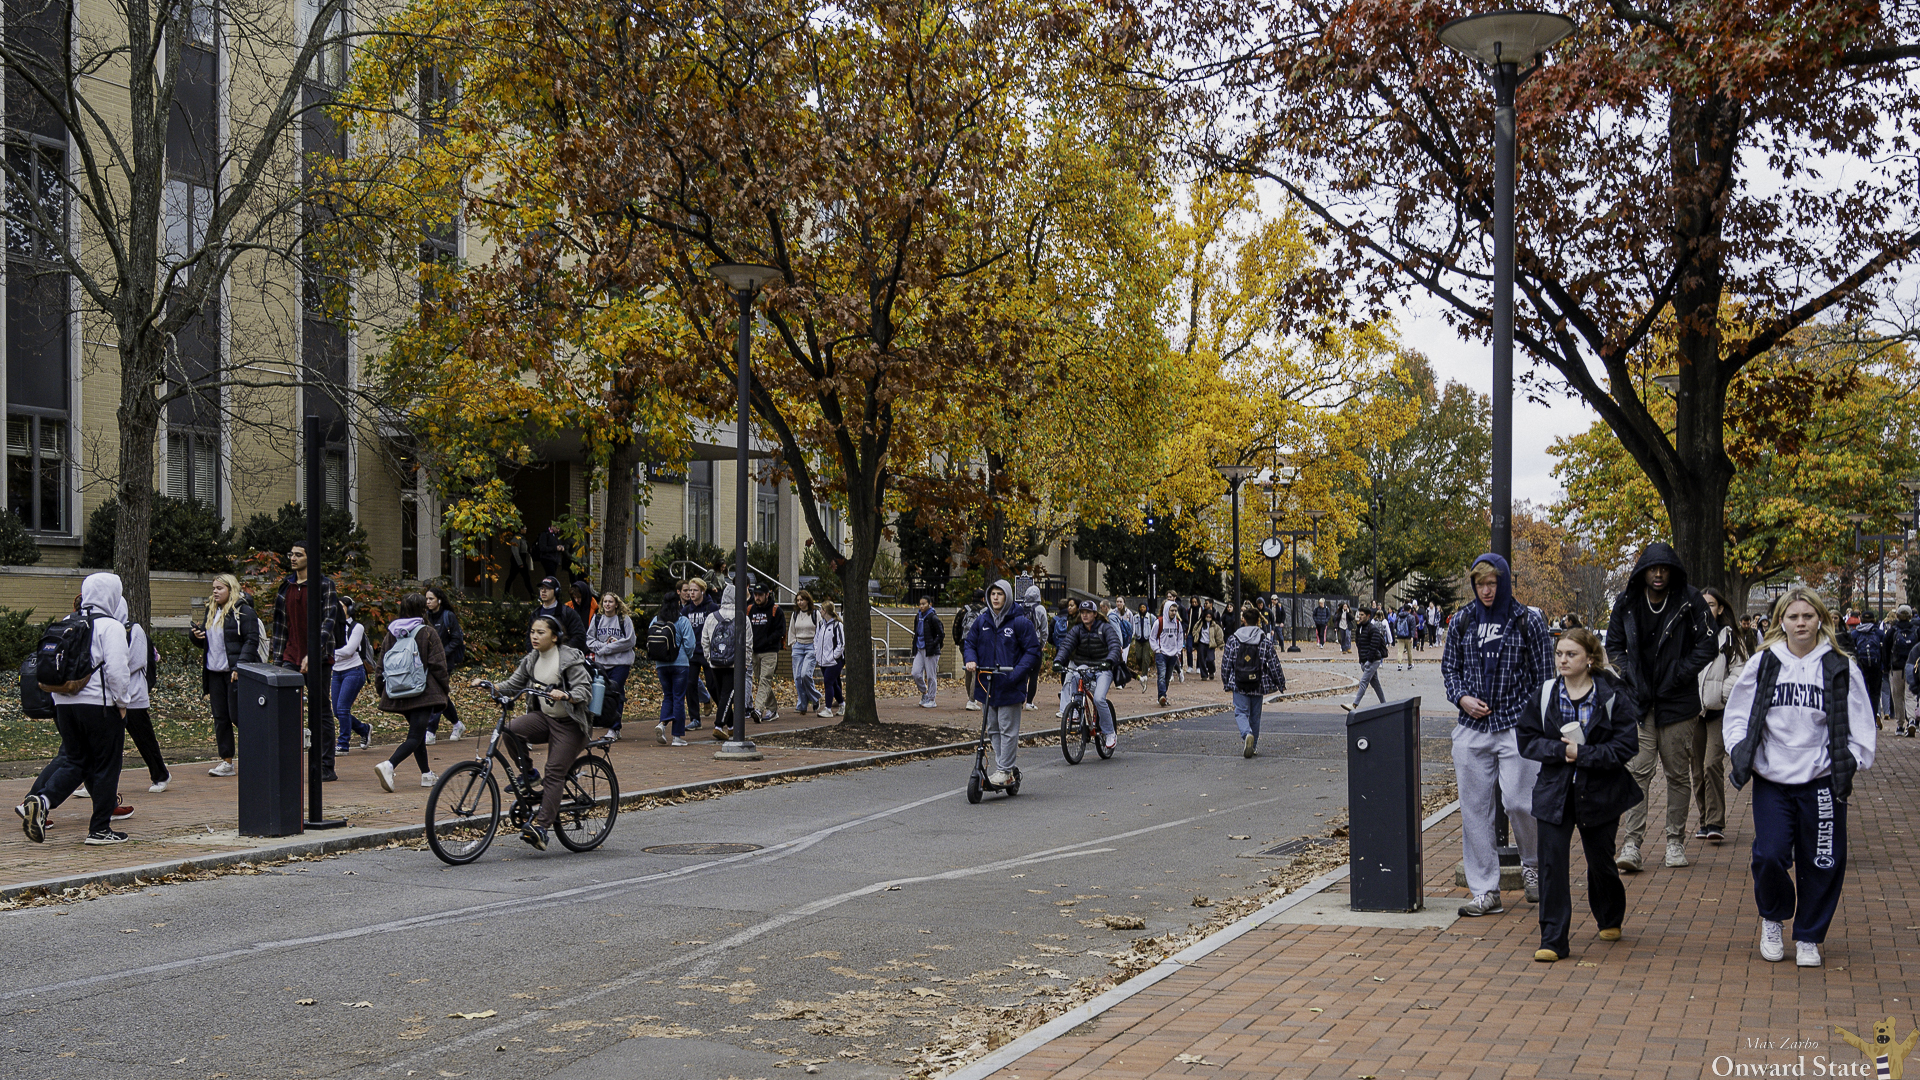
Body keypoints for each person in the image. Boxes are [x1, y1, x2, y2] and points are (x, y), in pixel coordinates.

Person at [1724, 586, 1876, 968]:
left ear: (1821, 619)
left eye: (1808, 616)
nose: (1801, 622)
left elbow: (1860, 719)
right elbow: (1739, 712)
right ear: (1781, 622)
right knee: (1771, 853)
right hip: (1773, 778)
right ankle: (1773, 917)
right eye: (1793, 616)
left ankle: (1809, 935)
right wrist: (1740, 749)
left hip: (1822, 778)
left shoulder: (1840, 666)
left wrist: (1852, 759)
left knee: (1822, 859)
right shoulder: (1765, 663)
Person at [1515, 627, 1642, 962]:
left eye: (1571, 654)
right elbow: (1526, 739)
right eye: (1559, 654)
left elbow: (1627, 744)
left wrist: (1583, 755)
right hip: (1553, 791)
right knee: (1552, 863)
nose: (1563, 660)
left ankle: (1610, 915)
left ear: (1589, 658)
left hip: (1600, 790)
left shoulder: (1611, 694)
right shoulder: (1545, 694)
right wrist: (1560, 751)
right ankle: (1553, 938)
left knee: (1600, 861)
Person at [1440, 554, 1554, 917]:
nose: (1486, 591)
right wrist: (1461, 698)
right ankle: (1484, 889)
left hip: (1515, 726)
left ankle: (1532, 864)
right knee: (1474, 810)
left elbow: (1545, 677)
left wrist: (1535, 720)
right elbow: (1450, 668)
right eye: (1480, 584)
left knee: (1520, 802)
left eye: (1492, 583)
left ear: (1503, 582)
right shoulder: (1463, 620)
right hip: (1472, 727)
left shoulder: (1527, 621)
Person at [1604, 542, 1717, 873]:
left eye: (1664, 569)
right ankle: (1632, 844)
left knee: (1677, 773)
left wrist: (1680, 674)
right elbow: (1614, 646)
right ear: (1643, 570)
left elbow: (1707, 645)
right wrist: (1630, 675)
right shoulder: (1626, 602)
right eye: (1652, 568)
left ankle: (1674, 842)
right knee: (1638, 771)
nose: (1657, 574)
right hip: (1640, 703)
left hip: (1678, 702)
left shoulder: (1689, 600)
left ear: (1672, 571)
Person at [20, 573, 137, 845]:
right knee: (107, 766)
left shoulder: (67, 622)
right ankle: (99, 829)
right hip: (100, 705)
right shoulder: (111, 626)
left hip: (64, 703)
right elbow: (118, 671)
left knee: (77, 760)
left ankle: (42, 799)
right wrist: (123, 704)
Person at [473, 613, 593, 850]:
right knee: (511, 730)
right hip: (545, 718)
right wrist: (491, 685)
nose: (535, 637)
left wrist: (567, 695)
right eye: (532, 632)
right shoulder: (532, 659)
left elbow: (585, 690)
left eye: (541, 632)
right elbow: (513, 684)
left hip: (570, 724)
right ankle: (528, 774)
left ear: (555, 637)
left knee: (554, 772)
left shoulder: (569, 659)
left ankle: (542, 827)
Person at [963, 579, 1042, 788]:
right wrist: (970, 660)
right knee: (993, 728)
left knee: (1008, 729)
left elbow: (1032, 650)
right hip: (987, 684)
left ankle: (1005, 770)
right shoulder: (982, 621)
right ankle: (1004, 767)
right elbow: (970, 643)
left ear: (1006, 596)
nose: (995, 598)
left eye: (1000, 594)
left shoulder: (1020, 622)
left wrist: (1017, 673)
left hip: (1010, 683)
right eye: (992, 594)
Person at [372, 593, 451, 793]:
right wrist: (444, 689)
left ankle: (426, 775)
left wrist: (381, 689)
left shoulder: (392, 633)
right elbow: (438, 665)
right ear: (422, 609)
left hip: (399, 691)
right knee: (416, 736)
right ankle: (389, 765)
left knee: (416, 733)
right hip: (423, 692)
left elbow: (381, 664)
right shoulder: (428, 632)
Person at [266, 541, 338, 753]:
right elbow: (280, 628)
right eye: (291, 554)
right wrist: (277, 662)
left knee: (320, 710)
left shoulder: (324, 585)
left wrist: (313, 654)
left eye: (298, 554)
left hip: (320, 658)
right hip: (290, 656)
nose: (293, 558)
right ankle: (289, 763)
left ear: (310, 558)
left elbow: (328, 623)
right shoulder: (285, 587)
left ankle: (325, 765)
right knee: (285, 708)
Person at [1691, 586, 1748, 845]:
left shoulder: (1730, 638)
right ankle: (1704, 820)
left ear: (1720, 608)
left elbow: (1741, 671)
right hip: (1693, 712)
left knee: (1711, 763)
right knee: (1695, 770)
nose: (1706, 609)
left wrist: (1721, 694)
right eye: (1702, 604)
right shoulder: (1687, 636)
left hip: (1719, 711)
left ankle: (1715, 821)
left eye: (1711, 604)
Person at [193, 573, 260, 777]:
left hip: (235, 673)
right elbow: (208, 644)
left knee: (238, 716)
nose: (215, 591)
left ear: (231, 589)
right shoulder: (211, 611)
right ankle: (227, 761)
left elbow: (251, 640)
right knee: (220, 718)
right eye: (213, 588)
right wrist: (195, 636)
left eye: (219, 588)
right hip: (214, 673)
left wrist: (240, 666)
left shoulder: (244, 612)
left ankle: (258, 755)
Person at [1054, 600, 1123, 752]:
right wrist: (1058, 661)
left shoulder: (1105, 628)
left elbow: (1114, 645)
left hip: (1103, 667)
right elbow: (1066, 645)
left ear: (1094, 614)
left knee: (1098, 698)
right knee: (1074, 676)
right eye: (1082, 612)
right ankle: (1077, 712)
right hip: (1085, 665)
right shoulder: (1078, 630)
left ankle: (1110, 732)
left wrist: (1109, 661)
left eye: (1088, 612)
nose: (1084, 615)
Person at [1223, 601, 1284, 758]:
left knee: (1241, 712)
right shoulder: (1264, 641)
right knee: (1255, 716)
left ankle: (1246, 733)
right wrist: (1280, 683)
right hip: (1258, 682)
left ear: (1243, 620)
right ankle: (1253, 745)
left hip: (1239, 680)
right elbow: (1273, 664)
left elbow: (1226, 663)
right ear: (1258, 621)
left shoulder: (1233, 640)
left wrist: (1226, 681)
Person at [650, 595, 696, 745]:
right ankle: (677, 736)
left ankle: (662, 724)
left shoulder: (656, 620)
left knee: (667, 696)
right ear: (678, 604)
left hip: (661, 664)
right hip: (680, 664)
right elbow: (690, 643)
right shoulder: (682, 621)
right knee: (678, 698)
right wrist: (686, 657)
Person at [702, 583, 747, 739]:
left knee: (723, 694)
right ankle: (719, 725)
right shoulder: (742, 617)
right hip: (734, 663)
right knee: (728, 694)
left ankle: (733, 726)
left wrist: (709, 658)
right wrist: (745, 663)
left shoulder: (711, 617)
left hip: (715, 662)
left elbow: (705, 640)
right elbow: (747, 643)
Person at [588, 592, 636, 737]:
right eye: (605, 602)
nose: (607, 604)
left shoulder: (624, 620)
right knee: (604, 693)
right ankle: (611, 723)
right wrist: (601, 646)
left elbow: (630, 641)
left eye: (610, 602)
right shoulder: (597, 619)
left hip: (621, 663)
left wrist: (608, 648)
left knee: (615, 691)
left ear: (616, 604)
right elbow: (589, 640)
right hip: (602, 663)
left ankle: (614, 728)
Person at [330, 597, 373, 759]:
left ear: (350, 609)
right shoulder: (331, 626)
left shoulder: (357, 627)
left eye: (341, 607)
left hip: (354, 671)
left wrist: (329, 653)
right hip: (337, 672)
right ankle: (364, 729)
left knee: (342, 708)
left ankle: (343, 744)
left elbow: (349, 651)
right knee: (337, 710)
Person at [425, 586, 467, 741]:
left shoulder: (448, 616)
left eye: (431, 599)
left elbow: (457, 639)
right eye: (427, 599)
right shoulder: (426, 617)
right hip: (428, 662)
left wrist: (442, 653)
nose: (428, 602)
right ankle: (457, 724)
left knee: (436, 694)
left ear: (439, 600)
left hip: (444, 663)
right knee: (440, 695)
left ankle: (431, 731)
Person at [678, 578, 718, 729]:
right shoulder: (686, 610)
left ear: (702, 591)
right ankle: (695, 719)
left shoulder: (712, 608)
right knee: (690, 685)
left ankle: (724, 714)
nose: (691, 593)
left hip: (708, 653)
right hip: (691, 654)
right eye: (689, 590)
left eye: (694, 590)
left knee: (712, 685)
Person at [747, 582, 785, 721]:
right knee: (760, 679)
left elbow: (780, 631)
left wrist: (768, 640)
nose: (757, 597)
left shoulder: (776, 610)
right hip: (754, 651)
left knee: (765, 679)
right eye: (755, 594)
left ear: (767, 595)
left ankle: (757, 709)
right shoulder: (750, 609)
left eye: (760, 595)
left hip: (770, 651)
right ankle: (773, 709)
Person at [1342, 605, 1390, 713]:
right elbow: (1360, 646)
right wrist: (1362, 661)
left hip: (1373, 660)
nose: (1360, 617)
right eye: (1359, 615)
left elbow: (1373, 646)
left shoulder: (1372, 629)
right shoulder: (1360, 628)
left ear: (1368, 616)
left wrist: (1368, 660)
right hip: (1366, 660)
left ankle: (1354, 705)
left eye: (1362, 615)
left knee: (1363, 682)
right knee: (1375, 684)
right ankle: (1385, 705)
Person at [1848, 614, 1885, 731]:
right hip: (1876, 667)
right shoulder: (1879, 633)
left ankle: (1861, 720)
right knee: (1874, 695)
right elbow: (1884, 651)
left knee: (1861, 693)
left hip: (1861, 667)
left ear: (1861, 620)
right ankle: (1872, 719)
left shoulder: (1855, 634)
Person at [1885, 605, 1918, 736]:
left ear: (1897, 615)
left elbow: (1886, 650)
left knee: (1897, 696)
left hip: (1896, 667)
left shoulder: (1893, 631)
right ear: (1910, 616)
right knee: (1910, 695)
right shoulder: (1916, 630)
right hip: (1912, 666)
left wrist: (1886, 666)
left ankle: (1899, 725)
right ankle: (1911, 720)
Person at [789, 590, 821, 716]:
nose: (800, 602)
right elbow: (792, 630)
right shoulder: (795, 614)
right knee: (797, 677)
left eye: (802, 600)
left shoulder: (815, 613)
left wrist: (817, 646)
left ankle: (815, 697)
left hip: (810, 646)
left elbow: (820, 629)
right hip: (798, 646)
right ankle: (802, 705)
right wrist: (793, 644)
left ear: (807, 600)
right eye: (798, 600)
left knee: (805, 674)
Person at [532, 576, 586, 651]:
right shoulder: (536, 614)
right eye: (541, 588)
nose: (543, 591)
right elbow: (529, 638)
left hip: (562, 658)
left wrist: (562, 651)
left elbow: (579, 636)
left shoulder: (568, 613)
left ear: (556, 591)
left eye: (547, 588)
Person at [954, 590, 987, 709]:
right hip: (979, 643)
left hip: (965, 643)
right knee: (976, 671)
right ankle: (972, 700)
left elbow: (956, 626)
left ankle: (970, 698)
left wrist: (958, 641)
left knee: (968, 671)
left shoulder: (964, 610)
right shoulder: (986, 611)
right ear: (983, 598)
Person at [1150, 594, 1184, 707]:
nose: (1174, 613)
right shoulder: (1158, 622)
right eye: (1172, 610)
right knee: (1161, 675)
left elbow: (1180, 638)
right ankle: (1161, 696)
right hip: (1161, 653)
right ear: (1166, 610)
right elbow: (1152, 637)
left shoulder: (1178, 624)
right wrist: (1156, 649)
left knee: (1168, 677)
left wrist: (1178, 651)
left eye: (1175, 610)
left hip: (1173, 654)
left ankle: (1163, 695)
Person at [815, 599, 846, 717]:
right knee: (833, 684)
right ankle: (842, 704)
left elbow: (841, 643)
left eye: (821, 609)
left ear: (826, 611)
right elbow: (816, 640)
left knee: (828, 681)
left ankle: (828, 709)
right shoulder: (821, 625)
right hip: (823, 660)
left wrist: (833, 656)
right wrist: (817, 653)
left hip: (834, 661)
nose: (820, 611)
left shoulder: (838, 625)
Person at [503, 530, 538, 599]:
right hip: (517, 561)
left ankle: (533, 595)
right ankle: (505, 594)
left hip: (522, 560)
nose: (525, 529)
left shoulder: (522, 538)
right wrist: (520, 563)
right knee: (512, 578)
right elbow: (515, 552)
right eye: (524, 528)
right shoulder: (516, 538)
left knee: (526, 578)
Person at [1196, 607, 1221, 680]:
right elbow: (1195, 630)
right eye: (1207, 615)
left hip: (1211, 644)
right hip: (1202, 643)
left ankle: (1211, 671)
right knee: (1202, 659)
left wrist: (1220, 644)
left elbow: (1219, 634)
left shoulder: (1214, 625)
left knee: (1210, 659)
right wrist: (1195, 638)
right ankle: (1204, 675)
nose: (1208, 617)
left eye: (1210, 615)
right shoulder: (1200, 623)